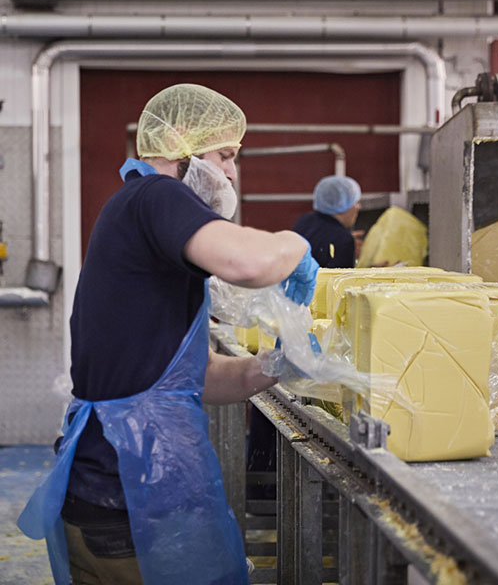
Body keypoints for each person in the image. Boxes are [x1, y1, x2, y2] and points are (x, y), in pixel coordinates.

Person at [18, 83, 318, 585]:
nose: (231, 171)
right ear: (179, 140)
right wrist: (296, 244)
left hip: (117, 498)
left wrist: (272, 365)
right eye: (224, 154)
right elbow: (248, 261)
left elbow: (188, 378)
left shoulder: (141, 218)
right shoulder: (157, 195)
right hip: (129, 501)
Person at [293, 174, 363, 268]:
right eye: (356, 202)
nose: (358, 207)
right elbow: (341, 280)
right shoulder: (343, 239)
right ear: (341, 203)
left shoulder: (305, 220)